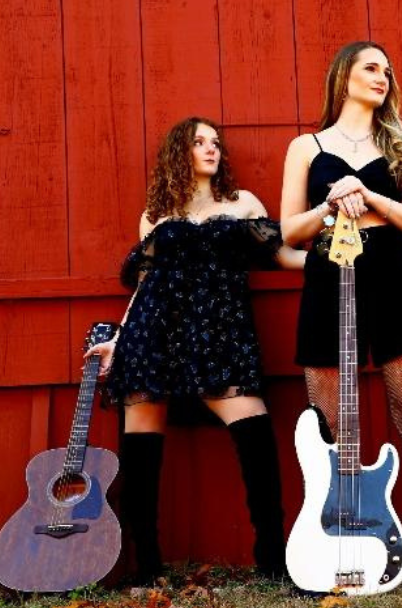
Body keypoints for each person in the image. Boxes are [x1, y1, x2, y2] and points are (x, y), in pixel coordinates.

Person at [86, 117, 306, 582]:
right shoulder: (157, 212)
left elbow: (283, 254)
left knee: (255, 435)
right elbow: (144, 283)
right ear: (178, 153)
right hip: (154, 333)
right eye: (199, 142)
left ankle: (272, 556)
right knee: (142, 446)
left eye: (216, 143)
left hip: (219, 335)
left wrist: (336, 257)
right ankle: (144, 565)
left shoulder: (242, 203)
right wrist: (119, 339)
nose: (211, 149)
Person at [279, 42, 402, 582]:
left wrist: (369, 195)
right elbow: (289, 231)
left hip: (394, 273)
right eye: (370, 68)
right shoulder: (305, 147)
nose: (382, 77)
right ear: (343, 77)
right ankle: (337, 540)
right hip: (330, 270)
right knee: (330, 423)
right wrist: (330, 203)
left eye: (387, 71)